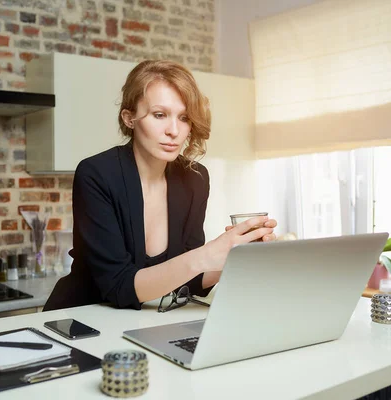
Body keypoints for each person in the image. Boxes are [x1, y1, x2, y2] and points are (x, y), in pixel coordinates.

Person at [44, 60, 277, 311]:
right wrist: (206, 255)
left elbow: (187, 283)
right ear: (129, 118)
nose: (174, 131)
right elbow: (118, 288)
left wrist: (235, 259)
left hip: (140, 323)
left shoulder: (195, 178)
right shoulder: (97, 174)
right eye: (159, 115)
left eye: (184, 117)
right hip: (79, 320)